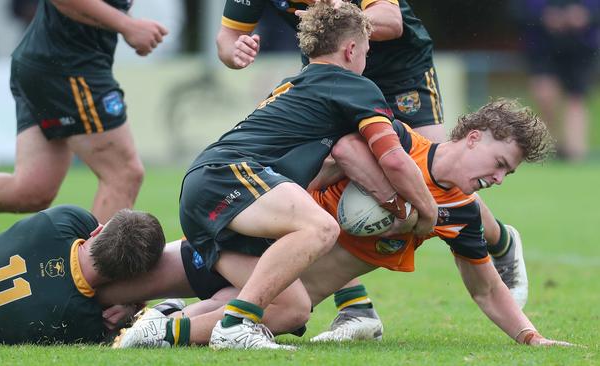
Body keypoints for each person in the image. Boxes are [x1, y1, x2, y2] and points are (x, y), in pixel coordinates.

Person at [114, 99, 571, 348]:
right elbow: (343, 149)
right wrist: (402, 207)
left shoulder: (463, 213)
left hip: (272, 288)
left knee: (170, 310)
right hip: (246, 246)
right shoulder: (397, 144)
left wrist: (532, 337)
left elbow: (486, 290)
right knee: (119, 282)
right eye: (499, 163)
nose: (497, 179)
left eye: (506, 174)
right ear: (473, 139)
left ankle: (154, 326)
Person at [216, 0, 531, 340]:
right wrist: (234, 53)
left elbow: (392, 22)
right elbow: (227, 38)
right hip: (338, 64)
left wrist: (339, 22)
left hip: (400, 68)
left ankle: (498, 239)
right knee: (318, 170)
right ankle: (355, 305)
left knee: (438, 174)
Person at [177, 0, 437, 350]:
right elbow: (393, 159)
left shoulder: (299, 84)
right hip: (227, 177)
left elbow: (329, 164)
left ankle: (157, 329)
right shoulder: (353, 86)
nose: (368, 57)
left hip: (205, 192)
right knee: (320, 227)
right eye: (367, 49)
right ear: (351, 49)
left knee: (292, 308)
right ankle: (236, 326)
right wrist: (427, 212)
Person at [0, 0, 168, 223]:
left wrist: (132, 25)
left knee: (32, 189)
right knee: (123, 174)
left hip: (49, 62)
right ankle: (94, 259)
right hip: (68, 66)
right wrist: (128, 26)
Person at [0, 205, 166, 344]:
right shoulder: (78, 315)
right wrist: (130, 306)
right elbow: (114, 328)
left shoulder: (66, 219)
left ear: (98, 231)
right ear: (126, 280)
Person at [511, 0, 600, 161]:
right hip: (543, 46)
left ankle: (575, 152)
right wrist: (544, 17)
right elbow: (517, 11)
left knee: (576, 99)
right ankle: (553, 143)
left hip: (581, 47)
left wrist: (586, 14)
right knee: (544, 95)